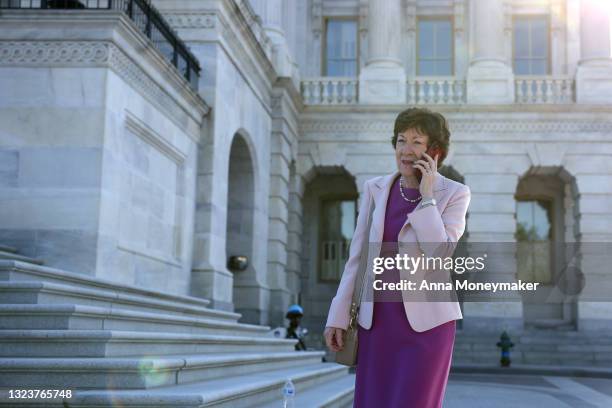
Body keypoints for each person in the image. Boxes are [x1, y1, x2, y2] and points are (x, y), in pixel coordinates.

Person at [323, 108, 471, 408]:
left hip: (428, 326)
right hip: (377, 323)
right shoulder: (375, 189)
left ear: (434, 151)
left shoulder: (454, 193)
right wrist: (337, 315)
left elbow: (440, 254)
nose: (406, 150)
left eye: (417, 142)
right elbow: (357, 258)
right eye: (401, 140)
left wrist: (427, 199)